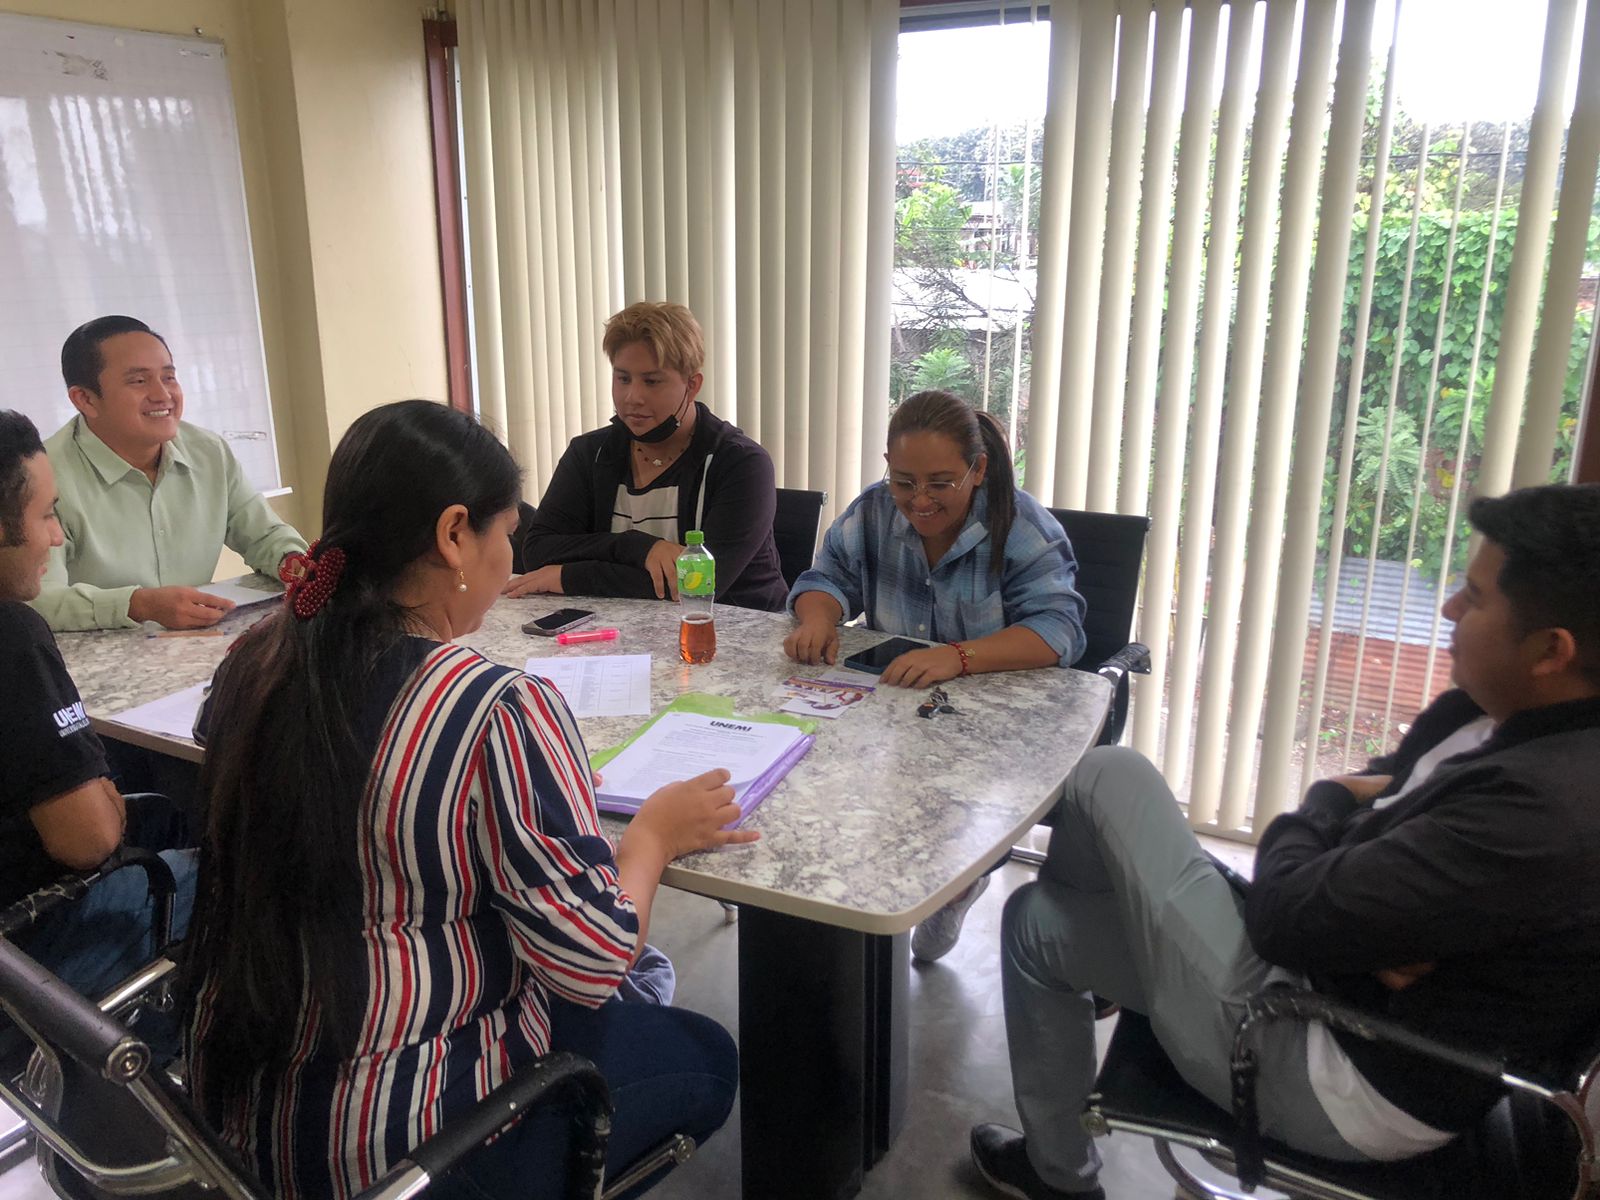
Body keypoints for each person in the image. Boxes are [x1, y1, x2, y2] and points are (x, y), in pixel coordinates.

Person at [181, 400, 750, 1200]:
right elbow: (593, 962)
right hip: (402, 1150)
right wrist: (651, 836)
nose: (510, 555)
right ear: (455, 534)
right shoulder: (496, 705)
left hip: (235, 1125)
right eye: (507, 532)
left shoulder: (256, 661)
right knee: (705, 1053)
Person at [970, 483, 1600, 1200]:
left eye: (1475, 598)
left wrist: (1329, 803)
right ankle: (1059, 1176)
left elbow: (1286, 913)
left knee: (1105, 773)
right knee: (1036, 924)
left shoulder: (1543, 815)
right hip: (1317, 989)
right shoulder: (1486, 716)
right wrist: (1352, 882)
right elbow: (1376, 809)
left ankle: (1109, 1016)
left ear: (1551, 650)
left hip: (1334, 1068)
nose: (1450, 608)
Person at [784, 389, 1088, 963]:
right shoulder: (874, 511)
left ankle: (959, 880)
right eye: (904, 482)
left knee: (942, 832)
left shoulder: (1021, 525)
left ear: (978, 470)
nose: (919, 501)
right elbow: (824, 578)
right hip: (894, 712)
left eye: (940, 483)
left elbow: (1058, 630)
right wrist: (819, 617)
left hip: (993, 727)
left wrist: (959, 656)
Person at [0, 409, 195, 1003]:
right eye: (45, 515)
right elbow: (90, 841)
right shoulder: (13, 636)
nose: (56, 536)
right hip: (27, 947)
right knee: (253, 875)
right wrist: (99, 794)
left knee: (164, 814)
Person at [504, 301, 788, 611]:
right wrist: (638, 546)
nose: (632, 397)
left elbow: (699, 585)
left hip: (735, 626)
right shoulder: (590, 453)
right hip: (620, 625)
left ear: (692, 385)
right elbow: (539, 551)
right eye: (623, 379)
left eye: (652, 381)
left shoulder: (741, 463)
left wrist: (567, 576)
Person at [33, 315, 307, 632]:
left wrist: (292, 561)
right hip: (92, 652)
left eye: (169, 377)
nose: (163, 394)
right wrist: (137, 605)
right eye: (139, 381)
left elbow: (264, 535)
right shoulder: (42, 476)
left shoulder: (208, 451)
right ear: (86, 399)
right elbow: (39, 600)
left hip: (197, 643)